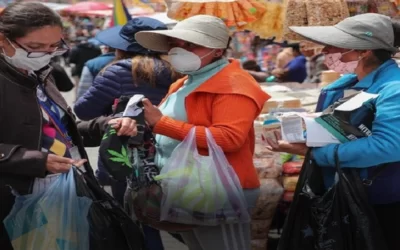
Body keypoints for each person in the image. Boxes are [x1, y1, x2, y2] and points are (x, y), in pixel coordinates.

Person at [0, 3, 138, 249]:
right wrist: (37, 161)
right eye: (35, 48)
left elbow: (65, 131)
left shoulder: (41, 74)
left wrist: (107, 124)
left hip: (63, 192)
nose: (47, 54)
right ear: (3, 39)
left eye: (54, 46)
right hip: (15, 202)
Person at [265, 13, 400, 250]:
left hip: (378, 202)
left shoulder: (394, 88)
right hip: (342, 195)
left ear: (363, 50)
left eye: (334, 45)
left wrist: (318, 153)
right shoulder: (348, 83)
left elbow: (389, 146)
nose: (325, 50)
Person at [135, 15, 270, 250]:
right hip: (186, 186)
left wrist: (161, 124)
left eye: (191, 44)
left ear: (217, 51)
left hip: (219, 189)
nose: (180, 49)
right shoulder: (184, 82)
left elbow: (229, 139)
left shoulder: (234, 85)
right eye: (175, 43)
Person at [74, 17, 182, 250]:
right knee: (169, 216)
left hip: (126, 153)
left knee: (136, 220)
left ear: (121, 47)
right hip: (172, 151)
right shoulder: (179, 72)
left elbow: (83, 110)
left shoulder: (117, 72)